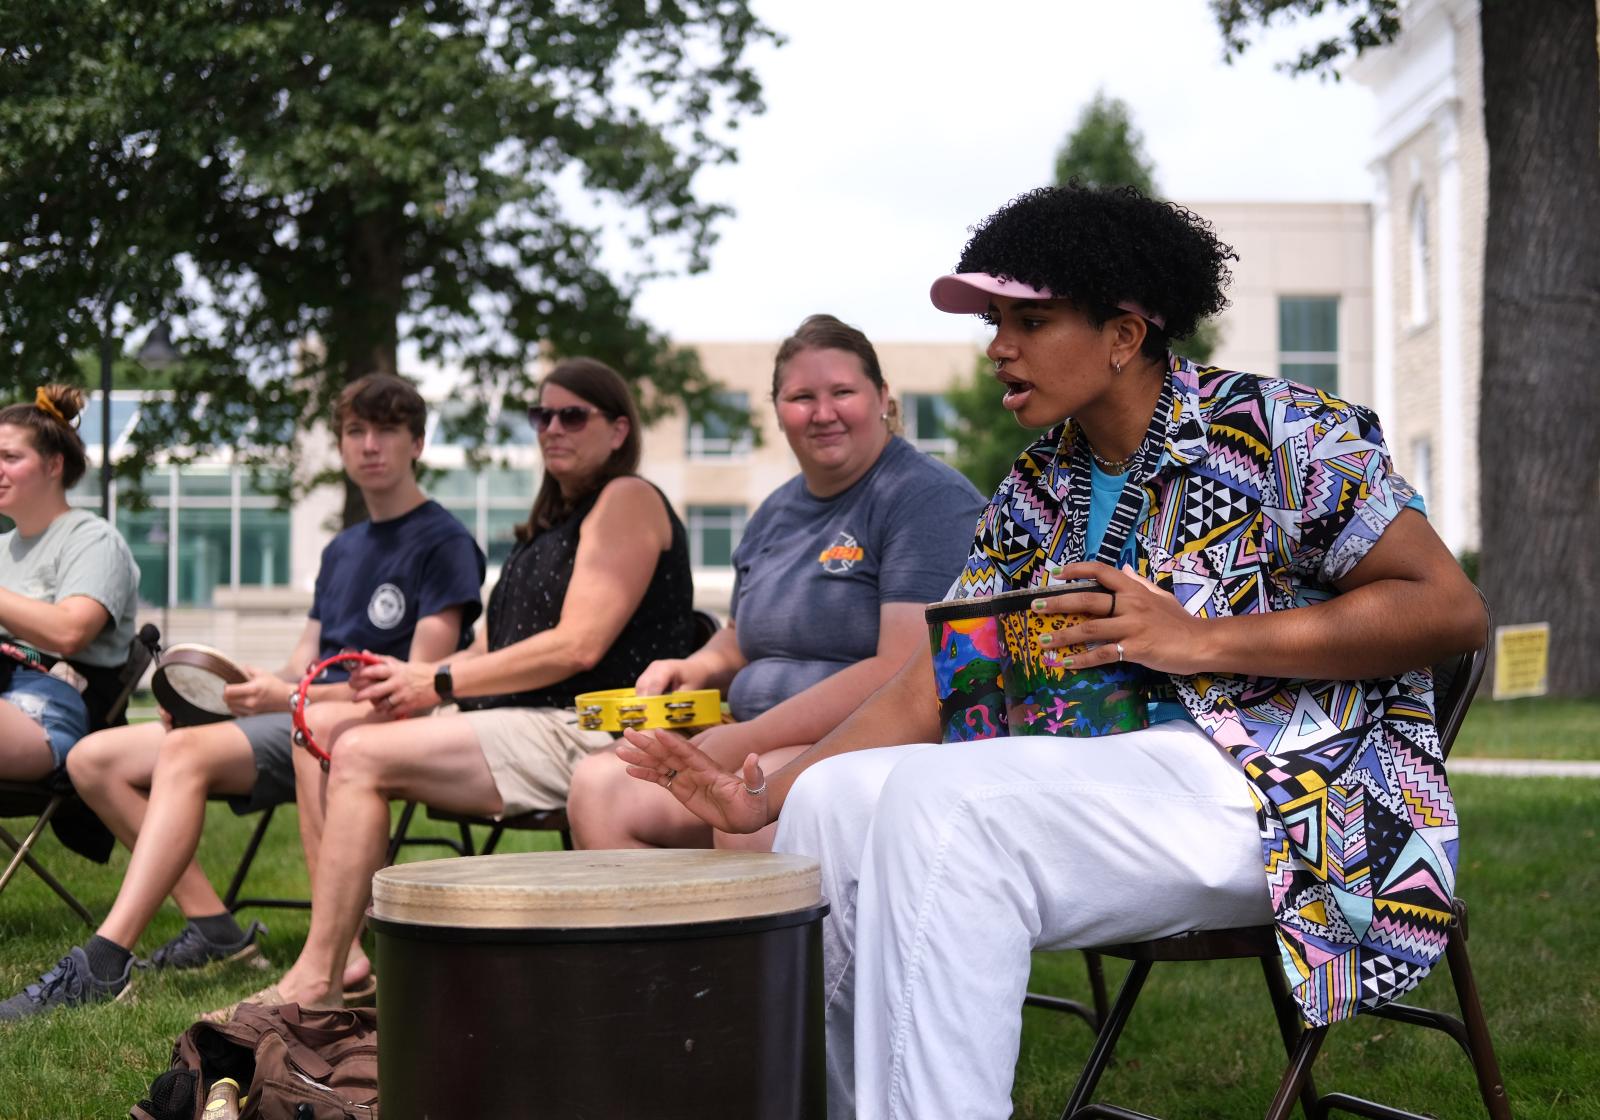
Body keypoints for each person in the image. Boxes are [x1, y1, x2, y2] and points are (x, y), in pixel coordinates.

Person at [617, 184, 1488, 1119]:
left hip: (1298, 790)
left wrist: (1200, 640)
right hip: (1119, 776)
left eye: (1030, 320)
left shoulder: (1281, 428)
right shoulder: (1042, 483)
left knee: (946, 805)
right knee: (832, 799)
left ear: (1123, 333)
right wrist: (765, 793)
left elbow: (1448, 609)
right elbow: (933, 686)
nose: (999, 345)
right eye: (996, 320)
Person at [204, 356, 696, 1016]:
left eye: (572, 415)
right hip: (516, 723)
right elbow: (485, 648)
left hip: (589, 728)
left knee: (359, 755)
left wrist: (436, 679)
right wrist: (380, 686)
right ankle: (343, 954)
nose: (552, 427)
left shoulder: (627, 499)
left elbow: (579, 645)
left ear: (617, 430)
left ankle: (316, 981)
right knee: (319, 727)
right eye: (541, 415)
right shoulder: (547, 529)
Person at [0, 373, 485, 1022]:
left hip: (360, 728)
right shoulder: (344, 549)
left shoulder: (444, 542)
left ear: (417, 442)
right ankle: (216, 933)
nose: (370, 445)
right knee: (94, 759)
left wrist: (284, 695)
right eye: (355, 431)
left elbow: (415, 687)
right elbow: (300, 662)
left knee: (190, 755)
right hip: (300, 715)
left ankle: (108, 958)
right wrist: (229, 690)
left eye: (387, 431)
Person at [567, 314, 985, 852]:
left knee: (748, 811)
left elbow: (900, 669)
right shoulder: (777, 511)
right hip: (750, 737)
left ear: (882, 397)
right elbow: (743, 634)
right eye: (801, 397)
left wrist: (745, 739)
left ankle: (754, 938)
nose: (823, 413)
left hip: (863, 748)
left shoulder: (924, 498)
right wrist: (695, 667)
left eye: (842, 392)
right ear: (778, 412)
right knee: (597, 788)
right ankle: (659, 938)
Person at [0, 385, 140, 783]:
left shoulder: (93, 539)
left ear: (53, 465)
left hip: (49, 707)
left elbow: (69, 631)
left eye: (10, 457)